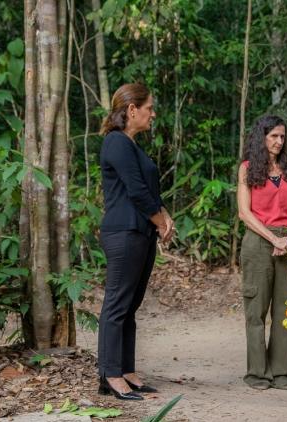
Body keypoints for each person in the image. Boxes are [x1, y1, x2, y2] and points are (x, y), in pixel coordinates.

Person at [96, 83, 173, 401]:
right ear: (131, 110)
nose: (152, 113)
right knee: (116, 304)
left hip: (140, 233)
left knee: (130, 305)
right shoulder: (116, 143)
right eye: (149, 108)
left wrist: (165, 217)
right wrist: (160, 221)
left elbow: (148, 190)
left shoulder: (132, 146)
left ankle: (126, 369)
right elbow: (136, 191)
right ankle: (110, 374)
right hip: (123, 233)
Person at [237, 115, 287, 390]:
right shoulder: (248, 168)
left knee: (285, 309)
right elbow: (244, 213)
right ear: (261, 137)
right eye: (273, 136)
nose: (278, 141)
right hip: (258, 242)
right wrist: (272, 239)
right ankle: (257, 373)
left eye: (282, 137)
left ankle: (283, 372)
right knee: (256, 309)